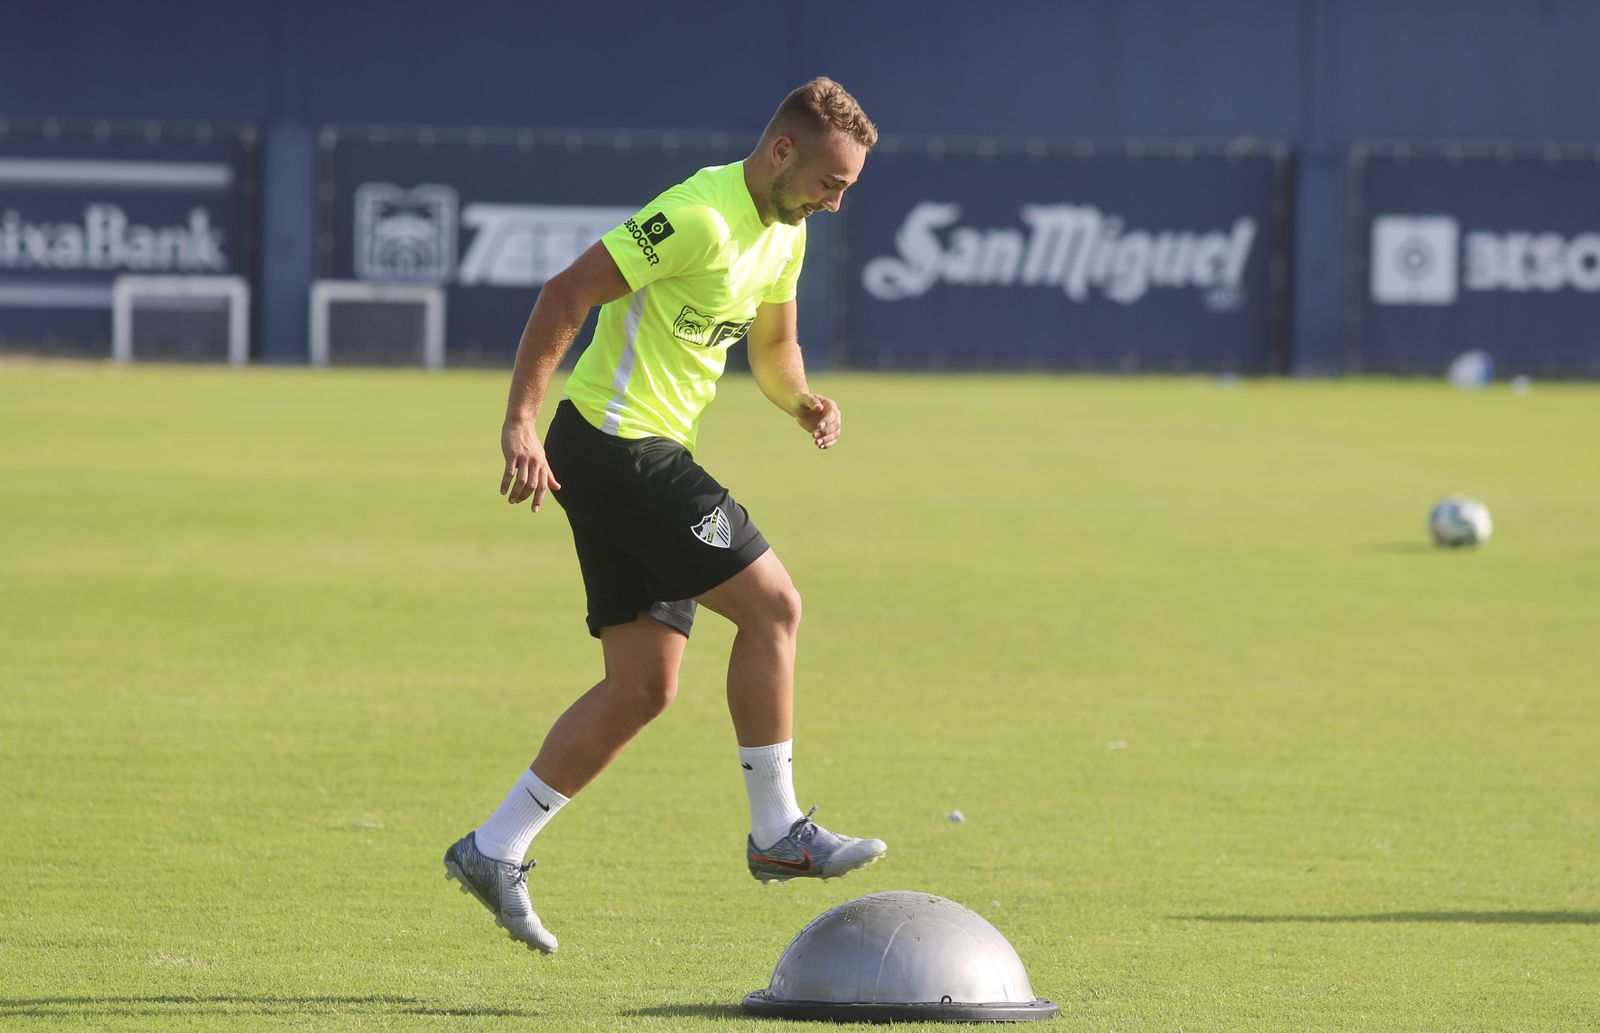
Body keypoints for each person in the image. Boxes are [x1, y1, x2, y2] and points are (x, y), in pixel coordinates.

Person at [443, 78, 884, 954]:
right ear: (783, 151)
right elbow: (565, 292)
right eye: (831, 183)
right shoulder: (699, 215)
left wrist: (799, 402)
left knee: (643, 685)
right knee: (775, 607)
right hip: (618, 447)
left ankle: (494, 848)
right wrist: (519, 421)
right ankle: (778, 832)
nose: (835, 203)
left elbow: (773, 347)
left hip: (631, 455)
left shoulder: (783, 234)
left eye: (848, 190)